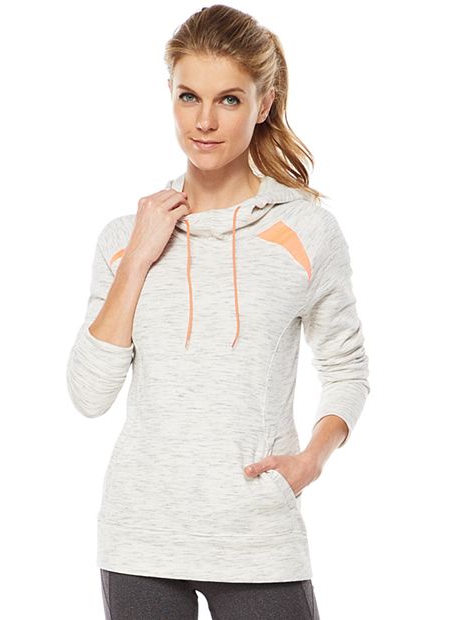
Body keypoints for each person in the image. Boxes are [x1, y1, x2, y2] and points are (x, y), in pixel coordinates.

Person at [66, 5, 370, 619]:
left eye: (229, 99)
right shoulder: (124, 238)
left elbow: (346, 367)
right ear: (171, 97)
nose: (204, 121)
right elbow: (89, 395)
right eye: (189, 97)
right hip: (140, 537)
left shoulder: (306, 231)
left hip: (257, 536)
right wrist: (140, 256)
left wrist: (310, 461)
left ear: (263, 104)